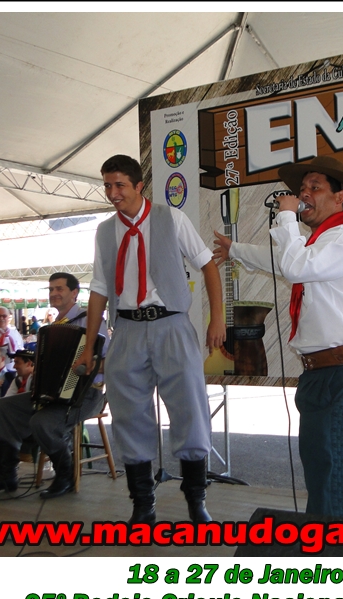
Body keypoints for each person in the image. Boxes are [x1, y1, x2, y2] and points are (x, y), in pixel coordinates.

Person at [213, 155, 343, 521]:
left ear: (341, 197)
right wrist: (235, 249)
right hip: (326, 373)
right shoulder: (322, 242)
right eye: (301, 189)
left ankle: (340, 546)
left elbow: (294, 265)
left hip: (341, 373)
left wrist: (286, 216)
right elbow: (284, 259)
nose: (303, 194)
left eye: (314, 187)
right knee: (333, 466)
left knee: (336, 470)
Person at [73, 154, 225, 525]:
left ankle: (196, 501)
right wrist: (89, 347)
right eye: (107, 186)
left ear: (139, 186)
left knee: (190, 409)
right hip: (126, 329)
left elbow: (207, 264)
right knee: (129, 415)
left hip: (171, 324)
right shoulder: (105, 231)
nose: (113, 193)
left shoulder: (170, 218)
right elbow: (99, 289)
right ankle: (142, 504)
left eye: (120, 185)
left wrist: (217, 319)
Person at [0, 273, 110, 499]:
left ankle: (65, 476)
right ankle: (6, 475)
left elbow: (110, 361)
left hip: (87, 394)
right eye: (51, 289)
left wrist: (88, 365)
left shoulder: (92, 321)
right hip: (54, 394)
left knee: (42, 421)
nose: (54, 293)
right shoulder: (54, 326)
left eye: (60, 289)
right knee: (2, 408)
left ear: (74, 293)